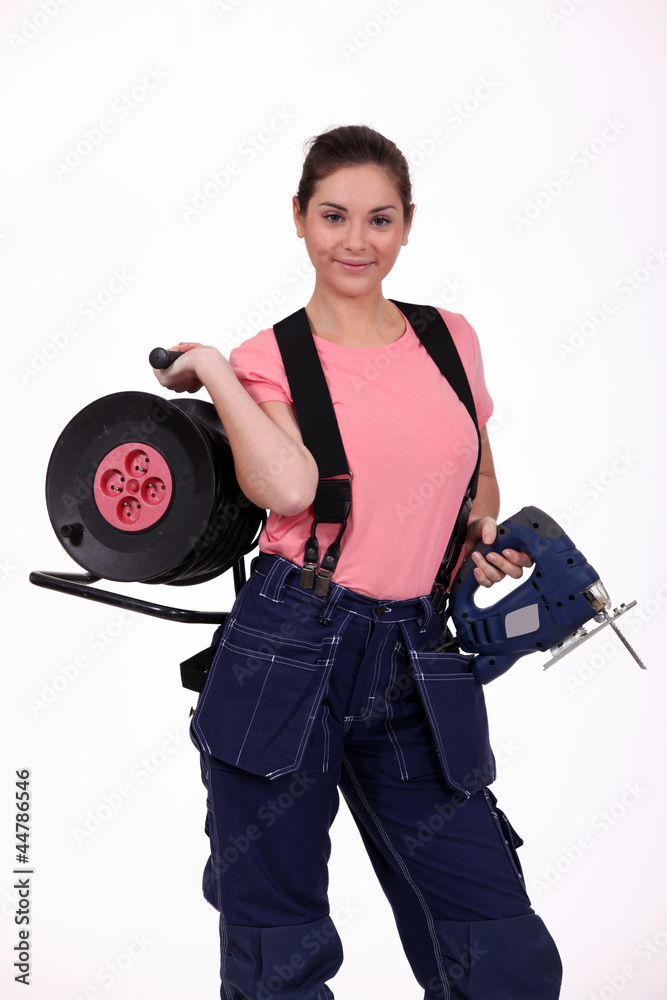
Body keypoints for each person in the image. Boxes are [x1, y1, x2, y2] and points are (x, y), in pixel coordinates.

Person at [153, 125, 562, 1000]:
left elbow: (475, 469)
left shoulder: (449, 337)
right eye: (333, 216)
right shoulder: (271, 358)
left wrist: (477, 531)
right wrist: (218, 373)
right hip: (289, 651)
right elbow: (290, 487)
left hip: (417, 657)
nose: (355, 240)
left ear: (407, 226)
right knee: (281, 958)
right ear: (298, 220)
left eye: (378, 220)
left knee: (504, 958)